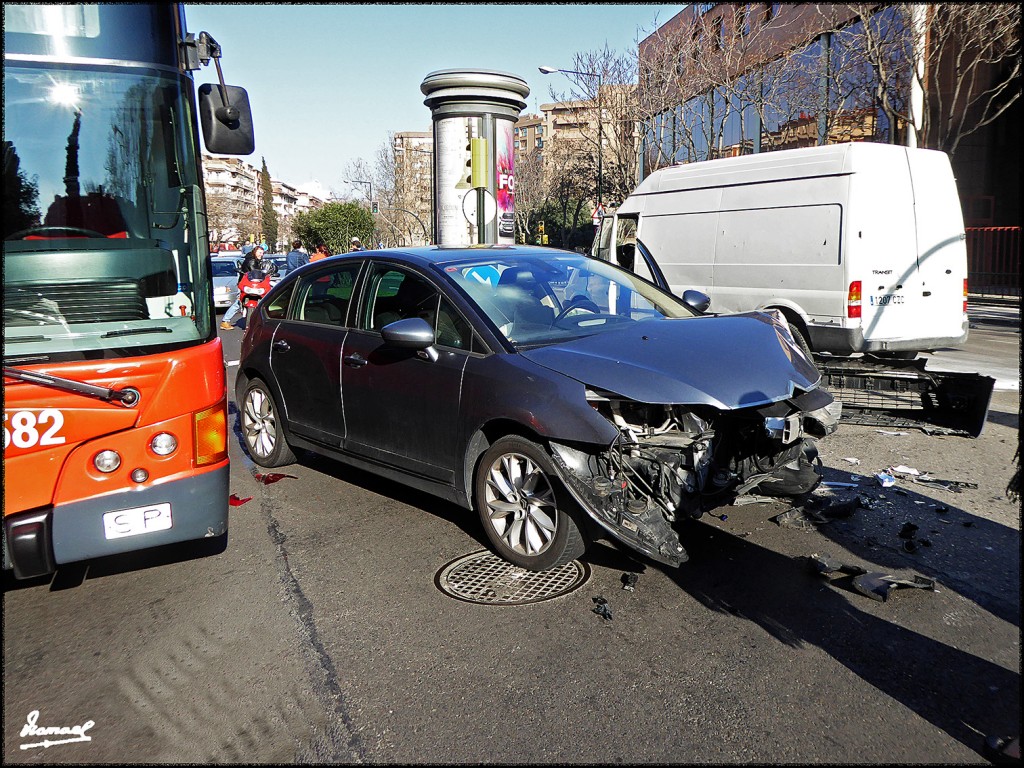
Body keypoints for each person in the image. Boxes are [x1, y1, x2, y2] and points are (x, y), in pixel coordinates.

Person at [220, 245, 276, 330]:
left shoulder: (255, 260)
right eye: (259, 252)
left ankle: (226, 321)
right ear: (255, 252)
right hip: (248, 285)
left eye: (262, 253)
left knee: (239, 303)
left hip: (250, 285)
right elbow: (255, 273)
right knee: (239, 302)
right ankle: (225, 321)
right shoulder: (251, 261)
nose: (261, 254)